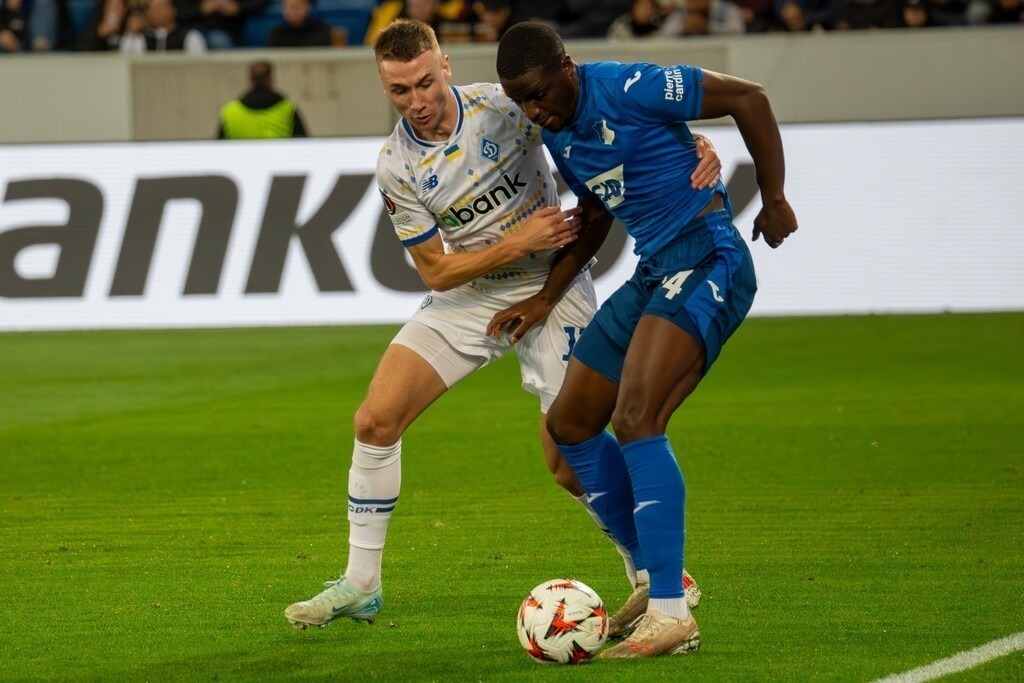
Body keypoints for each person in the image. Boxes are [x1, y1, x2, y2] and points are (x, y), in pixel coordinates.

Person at [283, 18, 720, 631]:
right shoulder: (396, 165)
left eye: (426, 84)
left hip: (552, 287)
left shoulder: (505, 108)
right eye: (400, 92)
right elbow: (435, 272)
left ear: (446, 67)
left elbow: (609, 124)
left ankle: (650, 572)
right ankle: (361, 582)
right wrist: (514, 242)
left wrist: (692, 145)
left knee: (568, 455)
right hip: (469, 296)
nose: (419, 102)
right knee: (375, 420)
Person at [494, 21, 798, 658]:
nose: (535, 111)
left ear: (568, 69)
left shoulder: (629, 85)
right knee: (569, 424)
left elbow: (750, 98)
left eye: (541, 93)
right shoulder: (560, 134)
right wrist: (547, 297)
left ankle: (671, 612)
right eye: (522, 101)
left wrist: (772, 198)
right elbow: (599, 213)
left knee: (637, 418)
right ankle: (657, 576)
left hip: (708, 254)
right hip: (656, 269)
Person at [218, 61, 308, 139]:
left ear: (251, 79)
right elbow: (304, 145)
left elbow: (216, 149)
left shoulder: (229, 112)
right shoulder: (288, 109)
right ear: (270, 79)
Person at [120, 0, 207, 53]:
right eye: (151, 9)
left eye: (159, 8)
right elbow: (126, 59)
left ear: (173, 10)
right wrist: (130, 34)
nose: (154, 12)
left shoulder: (190, 37)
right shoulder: (141, 37)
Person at [267, 0, 332, 47]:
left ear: (309, 7)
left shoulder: (324, 33)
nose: (294, 11)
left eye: (299, 6)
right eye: (290, 7)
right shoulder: (276, 34)